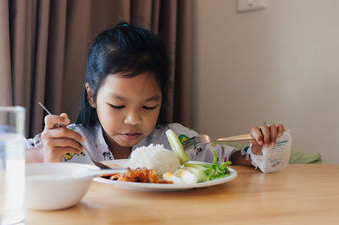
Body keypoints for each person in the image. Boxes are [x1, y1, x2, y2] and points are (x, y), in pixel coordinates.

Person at [26, 22, 286, 171]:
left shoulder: (177, 141)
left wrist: (257, 147)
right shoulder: (68, 141)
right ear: (92, 96)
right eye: (117, 105)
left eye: (149, 106)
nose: (133, 119)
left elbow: (232, 160)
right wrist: (40, 156)